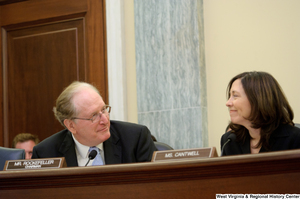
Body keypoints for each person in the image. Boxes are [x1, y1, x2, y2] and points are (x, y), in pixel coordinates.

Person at [32, 81, 157, 166]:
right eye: (94, 116)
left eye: (103, 110)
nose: (105, 120)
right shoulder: (46, 153)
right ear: (71, 125)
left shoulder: (135, 138)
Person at [221, 71, 300, 156]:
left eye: (235, 96)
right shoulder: (229, 140)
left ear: (258, 100)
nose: (228, 103)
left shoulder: (295, 139)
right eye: (229, 96)